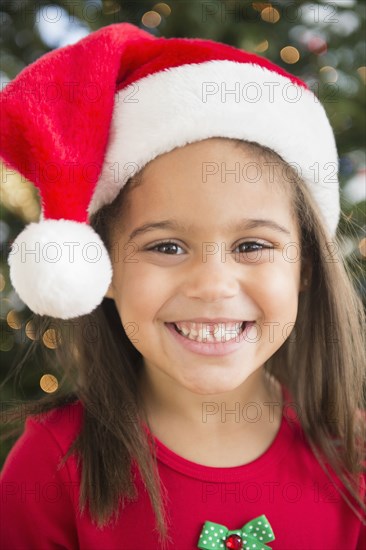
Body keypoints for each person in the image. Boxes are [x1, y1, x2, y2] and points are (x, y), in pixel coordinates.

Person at [0, 22, 365, 550]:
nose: (213, 285)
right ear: (101, 268)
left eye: (252, 246)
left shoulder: (354, 457)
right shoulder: (51, 468)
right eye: (166, 247)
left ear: (305, 266)